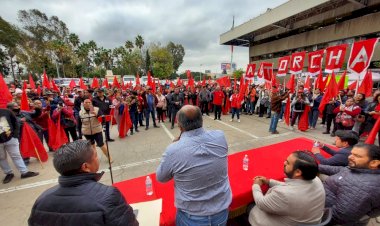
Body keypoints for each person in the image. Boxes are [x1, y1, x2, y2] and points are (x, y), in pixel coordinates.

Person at [28, 140, 138, 226]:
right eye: (95, 156)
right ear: (85, 167)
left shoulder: (42, 200)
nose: (97, 159)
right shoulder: (108, 196)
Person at [156, 105, 232, 226]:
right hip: (221, 212)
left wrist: (175, 148)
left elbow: (161, 177)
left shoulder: (173, 150)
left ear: (179, 125)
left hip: (192, 217)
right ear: (202, 120)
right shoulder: (220, 136)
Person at [249, 150, 325, 226]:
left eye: (288, 163)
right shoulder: (316, 180)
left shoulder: (284, 195)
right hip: (307, 221)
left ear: (298, 172)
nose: (284, 163)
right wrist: (269, 182)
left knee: (250, 206)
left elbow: (261, 203)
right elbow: (291, 187)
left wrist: (256, 185)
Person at [319, 144, 380, 225]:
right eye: (351, 153)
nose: (350, 157)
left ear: (374, 163)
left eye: (357, 156)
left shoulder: (362, 187)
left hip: (323, 211)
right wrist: (311, 165)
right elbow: (340, 170)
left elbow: (339, 217)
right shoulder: (360, 168)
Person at [0, 108, 39, 184]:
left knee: (16, 156)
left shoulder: (6, 111)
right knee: (1, 158)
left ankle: (24, 172)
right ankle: (8, 173)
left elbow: (16, 122)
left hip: (11, 138)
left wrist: (15, 135)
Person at [79, 98, 112, 162]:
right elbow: (79, 124)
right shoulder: (80, 112)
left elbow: (103, 119)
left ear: (91, 103)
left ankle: (109, 157)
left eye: (89, 102)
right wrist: (80, 135)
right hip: (87, 132)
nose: (88, 104)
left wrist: (96, 115)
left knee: (101, 144)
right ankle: (95, 158)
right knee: (92, 146)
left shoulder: (97, 109)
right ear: (83, 104)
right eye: (86, 103)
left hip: (97, 130)